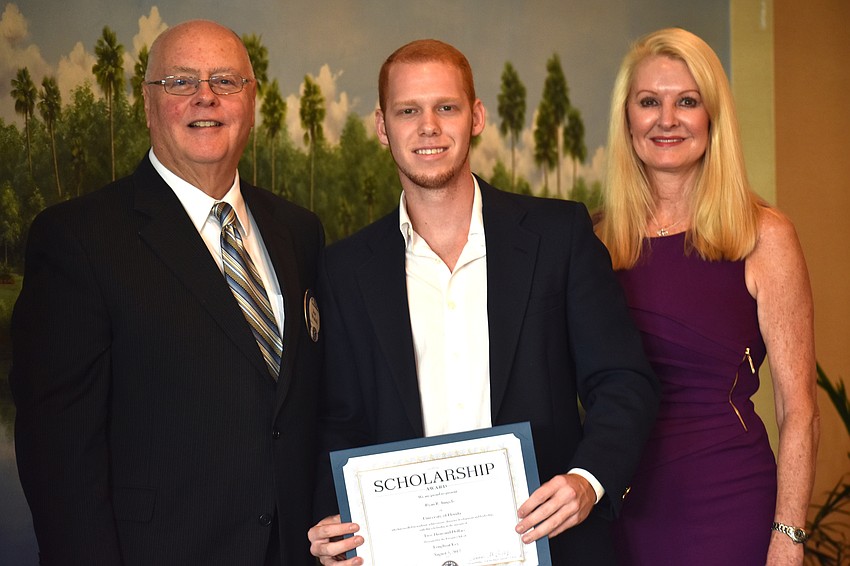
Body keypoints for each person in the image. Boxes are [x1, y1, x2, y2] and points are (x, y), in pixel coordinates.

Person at [307, 39, 659, 565]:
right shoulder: (345, 269)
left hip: (550, 546)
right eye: (408, 111)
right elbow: (341, 418)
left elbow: (623, 382)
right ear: (383, 126)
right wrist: (334, 518)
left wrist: (589, 481)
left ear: (476, 116)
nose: (428, 126)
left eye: (445, 107)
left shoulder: (558, 235)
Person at [10, 20, 324, 566]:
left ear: (251, 100)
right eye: (180, 81)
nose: (206, 95)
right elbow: (59, 464)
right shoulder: (78, 239)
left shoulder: (299, 230)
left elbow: (307, 409)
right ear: (147, 102)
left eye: (226, 80)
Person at [596, 28, 819, 565]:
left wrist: (787, 542)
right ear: (627, 119)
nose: (666, 119)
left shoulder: (765, 236)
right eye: (649, 102)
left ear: (713, 117)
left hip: (729, 503)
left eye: (687, 102)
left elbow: (800, 410)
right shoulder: (594, 241)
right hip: (619, 508)